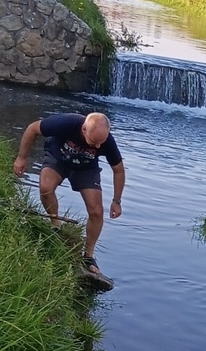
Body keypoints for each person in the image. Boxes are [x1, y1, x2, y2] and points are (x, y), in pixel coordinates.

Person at [13, 111, 125, 287]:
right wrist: (21, 158)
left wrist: (116, 201)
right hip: (58, 160)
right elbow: (32, 129)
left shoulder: (106, 141)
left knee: (96, 211)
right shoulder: (65, 123)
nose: (97, 146)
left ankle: (88, 256)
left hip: (86, 168)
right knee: (45, 187)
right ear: (84, 129)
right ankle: (55, 226)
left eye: (101, 142)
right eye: (93, 141)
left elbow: (118, 170)